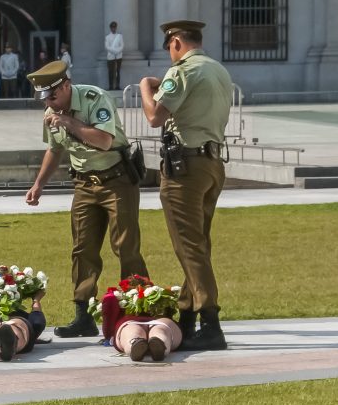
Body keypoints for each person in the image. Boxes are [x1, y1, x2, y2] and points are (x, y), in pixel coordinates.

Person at [24, 60, 148, 338]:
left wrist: (68, 121)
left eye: (53, 96)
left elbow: (104, 140)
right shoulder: (52, 112)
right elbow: (54, 150)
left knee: (125, 246)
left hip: (116, 180)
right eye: (44, 98)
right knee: (83, 250)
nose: (50, 104)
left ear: (66, 86)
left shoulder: (94, 98)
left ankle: (138, 308)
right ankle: (84, 315)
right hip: (84, 184)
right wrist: (38, 184)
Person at [138, 20, 233, 351]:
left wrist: (145, 88)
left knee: (189, 246)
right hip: (212, 164)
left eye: (169, 47)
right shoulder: (218, 70)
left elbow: (155, 117)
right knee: (198, 244)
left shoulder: (183, 71)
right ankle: (188, 315)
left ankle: (210, 321)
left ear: (176, 41)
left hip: (186, 168)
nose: (169, 54)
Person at [105, 21, 124, 90]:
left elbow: (122, 46)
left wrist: (117, 51)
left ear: (116, 28)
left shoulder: (119, 36)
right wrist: (114, 51)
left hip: (118, 56)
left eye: (114, 27)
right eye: (112, 27)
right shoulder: (107, 37)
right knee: (110, 72)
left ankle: (117, 85)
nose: (113, 29)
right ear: (110, 28)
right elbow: (107, 46)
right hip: (110, 57)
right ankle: (111, 86)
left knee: (117, 71)